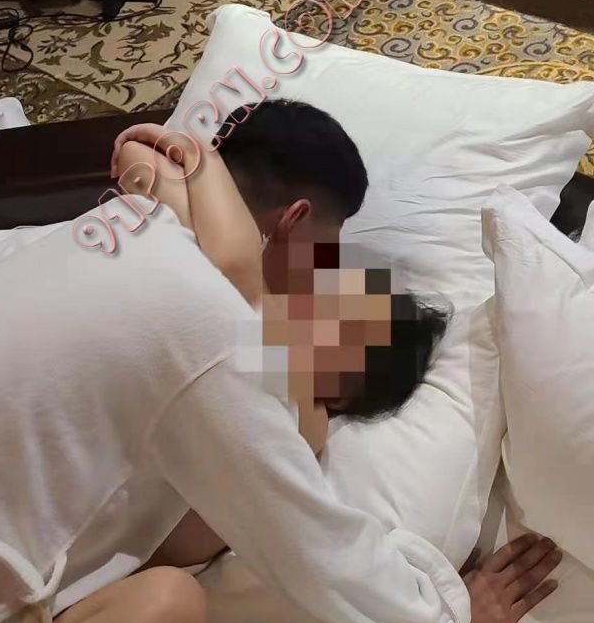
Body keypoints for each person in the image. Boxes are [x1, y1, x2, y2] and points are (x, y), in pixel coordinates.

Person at [0, 100, 562, 623]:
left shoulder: (125, 228)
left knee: (162, 610)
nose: (308, 299)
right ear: (293, 221)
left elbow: (308, 525)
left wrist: (186, 172)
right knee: (163, 613)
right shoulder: (218, 328)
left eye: (329, 334)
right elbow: (321, 549)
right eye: (324, 272)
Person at [111, 102, 449, 456]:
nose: (315, 294)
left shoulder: (306, 418)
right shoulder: (251, 289)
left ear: (337, 394)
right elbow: (135, 156)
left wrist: (201, 158)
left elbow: (232, 266)